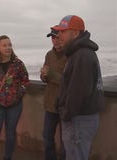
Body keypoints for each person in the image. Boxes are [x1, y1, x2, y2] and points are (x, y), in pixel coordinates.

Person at [54, 15, 105, 160]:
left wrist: (65, 114)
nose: (58, 35)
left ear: (75, 33)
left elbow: (78, 93)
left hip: (79, 120)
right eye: (58, 32)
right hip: (80, 119)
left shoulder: (82, 55)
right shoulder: (79, 53)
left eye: (63, 31)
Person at [0, 35, 29, 160]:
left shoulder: (18, 64)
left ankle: (8, 157)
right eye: (4, 45)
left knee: (10, 134)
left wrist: (18, 94)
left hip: (15, 105)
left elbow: (25, 81)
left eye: (9, 45)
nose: (8, 47)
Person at [40, 27, 66, 160]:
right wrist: (43, 76)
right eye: (53, 37)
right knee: (47, 137)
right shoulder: (49, 55)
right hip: (50, 104)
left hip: (65, 105)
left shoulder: (71, 55)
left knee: (65, 142)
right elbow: (45, 78)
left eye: (57, 37)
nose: (55, 41)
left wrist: (50, 75)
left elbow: (69, 81)